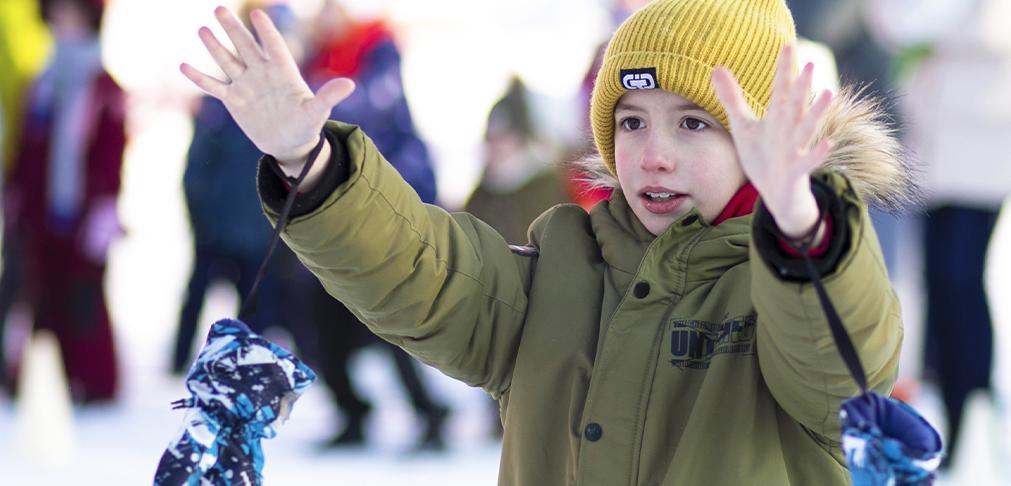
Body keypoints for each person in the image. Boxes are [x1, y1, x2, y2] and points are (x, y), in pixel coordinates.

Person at [181, 0, 911, 483]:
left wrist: (799, 224)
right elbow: (425, 272)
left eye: (693, 123)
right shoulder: (566, 266)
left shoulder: (795, 276)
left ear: (768, 138)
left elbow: (841, 371)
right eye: (631, 122)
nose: (652, 154)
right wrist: (307, 161)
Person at [301, 0, 449, 450]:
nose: (326, 15)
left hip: (382, 200)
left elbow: (370, 116)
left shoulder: (377, 50)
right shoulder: (312, 57)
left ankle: (428, 411)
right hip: (329, 206)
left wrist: (314, 98)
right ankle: (351, 411)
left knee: (388, 315)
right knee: (319, 317)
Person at [4, 0, 125, 403]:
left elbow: (110, 153)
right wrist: (15, 193)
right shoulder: (41, 81)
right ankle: (38, 378)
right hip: (38, 214)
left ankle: (92, 380)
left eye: (72, 16)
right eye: (57, 16)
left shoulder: (103, 86)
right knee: (37, 296)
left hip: (81, 214)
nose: (63, 25)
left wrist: (105, 207)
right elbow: (27, 148)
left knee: (82, 299)